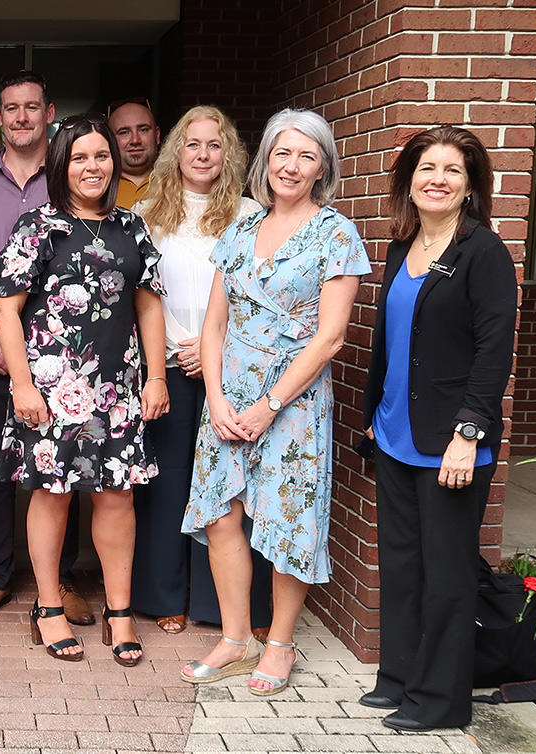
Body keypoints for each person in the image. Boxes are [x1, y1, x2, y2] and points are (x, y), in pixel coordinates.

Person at [179, 109, 370, 695]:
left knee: (290, 521)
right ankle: (236, 637)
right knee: (221, 515)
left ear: (322, 168)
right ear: (266, 160)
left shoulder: (335, 233)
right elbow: (214, 326)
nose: (291, 166)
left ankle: (280, 643)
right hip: (226, 400)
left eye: (306, 156)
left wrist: (268, 405)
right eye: (282, 153)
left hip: (293, 404)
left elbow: (331, 336)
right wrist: (214, 397)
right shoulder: (237, 230)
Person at [0, 113, 168, 666]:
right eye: (80, 157)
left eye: (102, 156)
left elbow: (148, 302)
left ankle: (119, 614)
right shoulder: (39, 226)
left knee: (116, 497)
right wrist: (21, 383)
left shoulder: (132, 227)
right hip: (51, 390)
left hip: (117, 388)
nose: (94, 166)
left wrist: (156, 375)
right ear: (60, 165)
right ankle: (48, 607)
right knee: (54, 494)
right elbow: (5, 307)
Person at [359, 126, 516, 732]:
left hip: (452, 440)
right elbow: (395, 344)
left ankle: (440, 701)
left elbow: (493, 350)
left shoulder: (483, 252)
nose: (438, 179)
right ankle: (398, 676)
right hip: (396, 433)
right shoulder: (404, 248)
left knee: (447, 572)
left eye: (454, 170)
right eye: (428, 167)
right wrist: (375, 414)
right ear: (409, 178)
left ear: (471, 185)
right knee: (401, 563)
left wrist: (469, 432)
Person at [0, 71, 92, 627]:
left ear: (49, 112)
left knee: (62, 470)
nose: (23, 116)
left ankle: (61, 579)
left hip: (61, 357)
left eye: (33, 106)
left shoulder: (73, 184)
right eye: (12, 108)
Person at [131, 106, 268, 636]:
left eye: (214, 145)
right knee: (165, 485)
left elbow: (256, 294)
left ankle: (220, 604)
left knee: (223, 488)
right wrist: (173, 347)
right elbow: (141, 292)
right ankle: (164, 595)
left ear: (228, 153)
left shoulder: (251, 213)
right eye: (192, 144)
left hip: (229, 367)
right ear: (176, 152)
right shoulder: (147, 212)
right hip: (163, 361)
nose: (203, 154)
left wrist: (214, 345)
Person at [108, 98, 160, 210]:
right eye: (124, 132)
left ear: (157, 135)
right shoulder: (98, 186)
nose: (135, 140)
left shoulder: (178, 182)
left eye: (143, 130)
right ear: (109, 140)